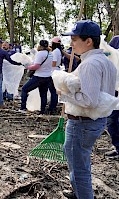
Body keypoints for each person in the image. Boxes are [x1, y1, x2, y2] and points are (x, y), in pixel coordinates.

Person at [59, 20, 116, 199]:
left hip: (82, 123)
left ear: (89, 41)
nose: (71, 44)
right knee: (80, 161)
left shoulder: (90, 64)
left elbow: (89, 101)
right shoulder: (106, 61)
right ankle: (78, 192)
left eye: (75, 39)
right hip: (95, 121)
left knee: (79, 167)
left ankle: (82, 194)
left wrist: (64, 94)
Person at [20, 39, 56, 114]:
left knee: (24, 89)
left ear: (40, 45)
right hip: (48, 77)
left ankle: (23, 108)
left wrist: (28, 67)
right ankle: (42, 111)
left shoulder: (40, 54)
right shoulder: (50, 54)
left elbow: (36, 66)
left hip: (39, 76)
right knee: (43, 94)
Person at [104, 35, 119, 159]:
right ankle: (118, 147)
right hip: (115, 90)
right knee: (112, 120)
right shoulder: (116, 40)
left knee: (113, 120)